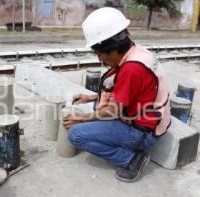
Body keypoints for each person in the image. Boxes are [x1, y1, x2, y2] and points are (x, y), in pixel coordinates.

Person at [63, 7, 171, 183]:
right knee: (97, 107)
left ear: (112, 50)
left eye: (100, 54)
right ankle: (124, 144)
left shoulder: (132, 69)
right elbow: (128, 93)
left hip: (143, 132)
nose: (100, 60)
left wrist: (82, 118)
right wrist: (92, 97)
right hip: (150, 119)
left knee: (76, 135)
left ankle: (132, 159)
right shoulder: (135, 52)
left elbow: (114, 110)